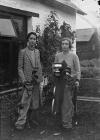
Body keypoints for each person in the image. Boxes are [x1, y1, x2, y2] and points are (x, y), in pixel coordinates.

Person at [15, 32, 43, 130]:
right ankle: (20, 123)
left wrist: (40, 78)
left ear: (36, 41)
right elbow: (19, 68)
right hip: (27, 81)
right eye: (31, 38)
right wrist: (24, 80)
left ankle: (30, 120)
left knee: (34, 102)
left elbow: (38, 65)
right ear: (28, 40)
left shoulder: (37, 52)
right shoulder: (23, 52)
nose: (33, 40)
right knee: (25, 102)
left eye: (34, 39)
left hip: (35, 81)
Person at [53, 37, 81, 129]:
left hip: (69, 82)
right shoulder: (58, 55)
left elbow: (77, 70)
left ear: (69, 45)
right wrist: (57, 74)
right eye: (62, 44)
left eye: (66, 44)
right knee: (61, 102)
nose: (64, 45)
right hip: (60, 82)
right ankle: (66, 117)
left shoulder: (74, 56)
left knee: (67, 102)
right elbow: (55, 69)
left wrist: (77, 80)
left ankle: (67, 123)